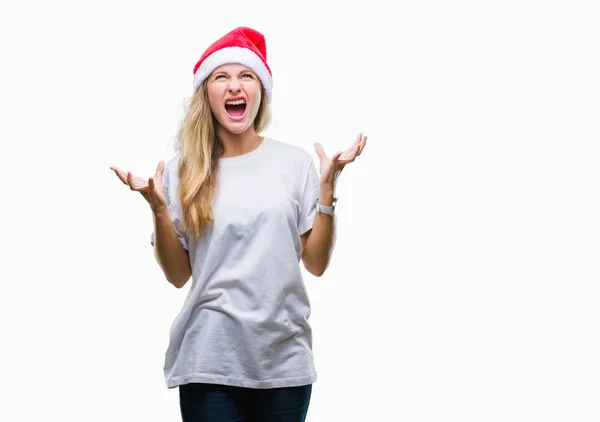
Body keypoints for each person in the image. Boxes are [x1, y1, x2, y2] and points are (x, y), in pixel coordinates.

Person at [110, 26, 367, 422]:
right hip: (210, 357)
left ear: (260, 91)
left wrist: (328, 188)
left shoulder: (293, 163)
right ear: (206, 95)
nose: (235, 86)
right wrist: (159, 210)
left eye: (246, 75)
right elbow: (178, 275)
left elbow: (315, 264)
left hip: (284, 359)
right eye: (221, 77)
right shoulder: (184, 171)